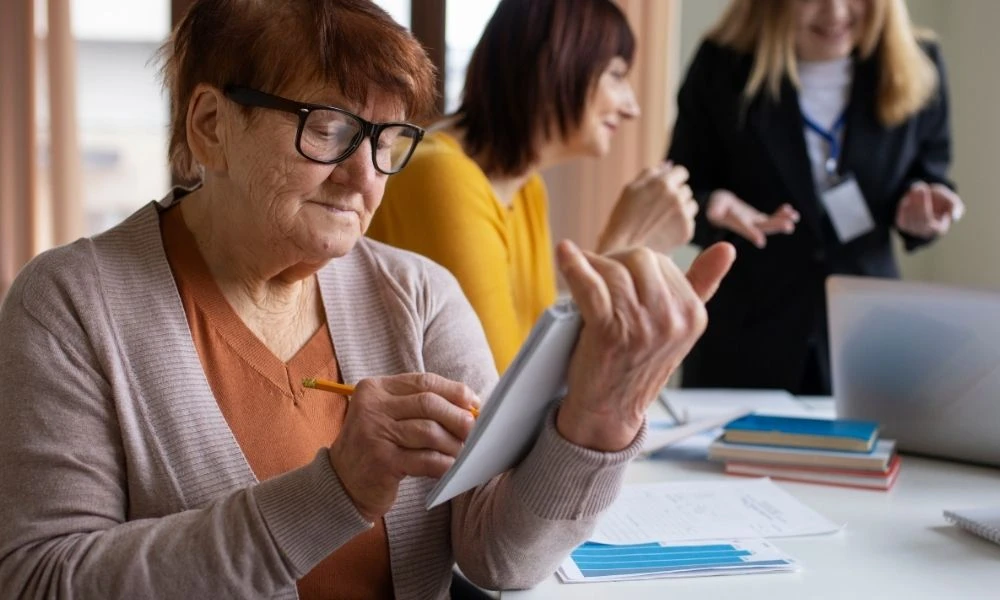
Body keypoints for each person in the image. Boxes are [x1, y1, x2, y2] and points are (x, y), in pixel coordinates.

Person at [0, 1, 734, 598]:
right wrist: (335, 492)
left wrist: (600, 421)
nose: (366, 177)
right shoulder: (70, 304)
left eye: (386, 139)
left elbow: (498, 556)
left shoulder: (418, 295)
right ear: (211, 126)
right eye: (328, 129)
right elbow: (38, 582)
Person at [367, 0, 700, 373]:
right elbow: (501, 387)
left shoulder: (526, 188)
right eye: (616, 75)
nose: (631, 107)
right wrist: (624, 244)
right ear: (560, 63)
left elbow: (537, 359)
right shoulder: (442, 176)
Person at [668, 0, 965, 395]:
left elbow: (929, 172)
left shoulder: (920, 61)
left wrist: (922, 209)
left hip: (866, 338)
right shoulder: (722, 66)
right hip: (747, 338)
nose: (836, 12)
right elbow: (683, 186)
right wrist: (712, 206)